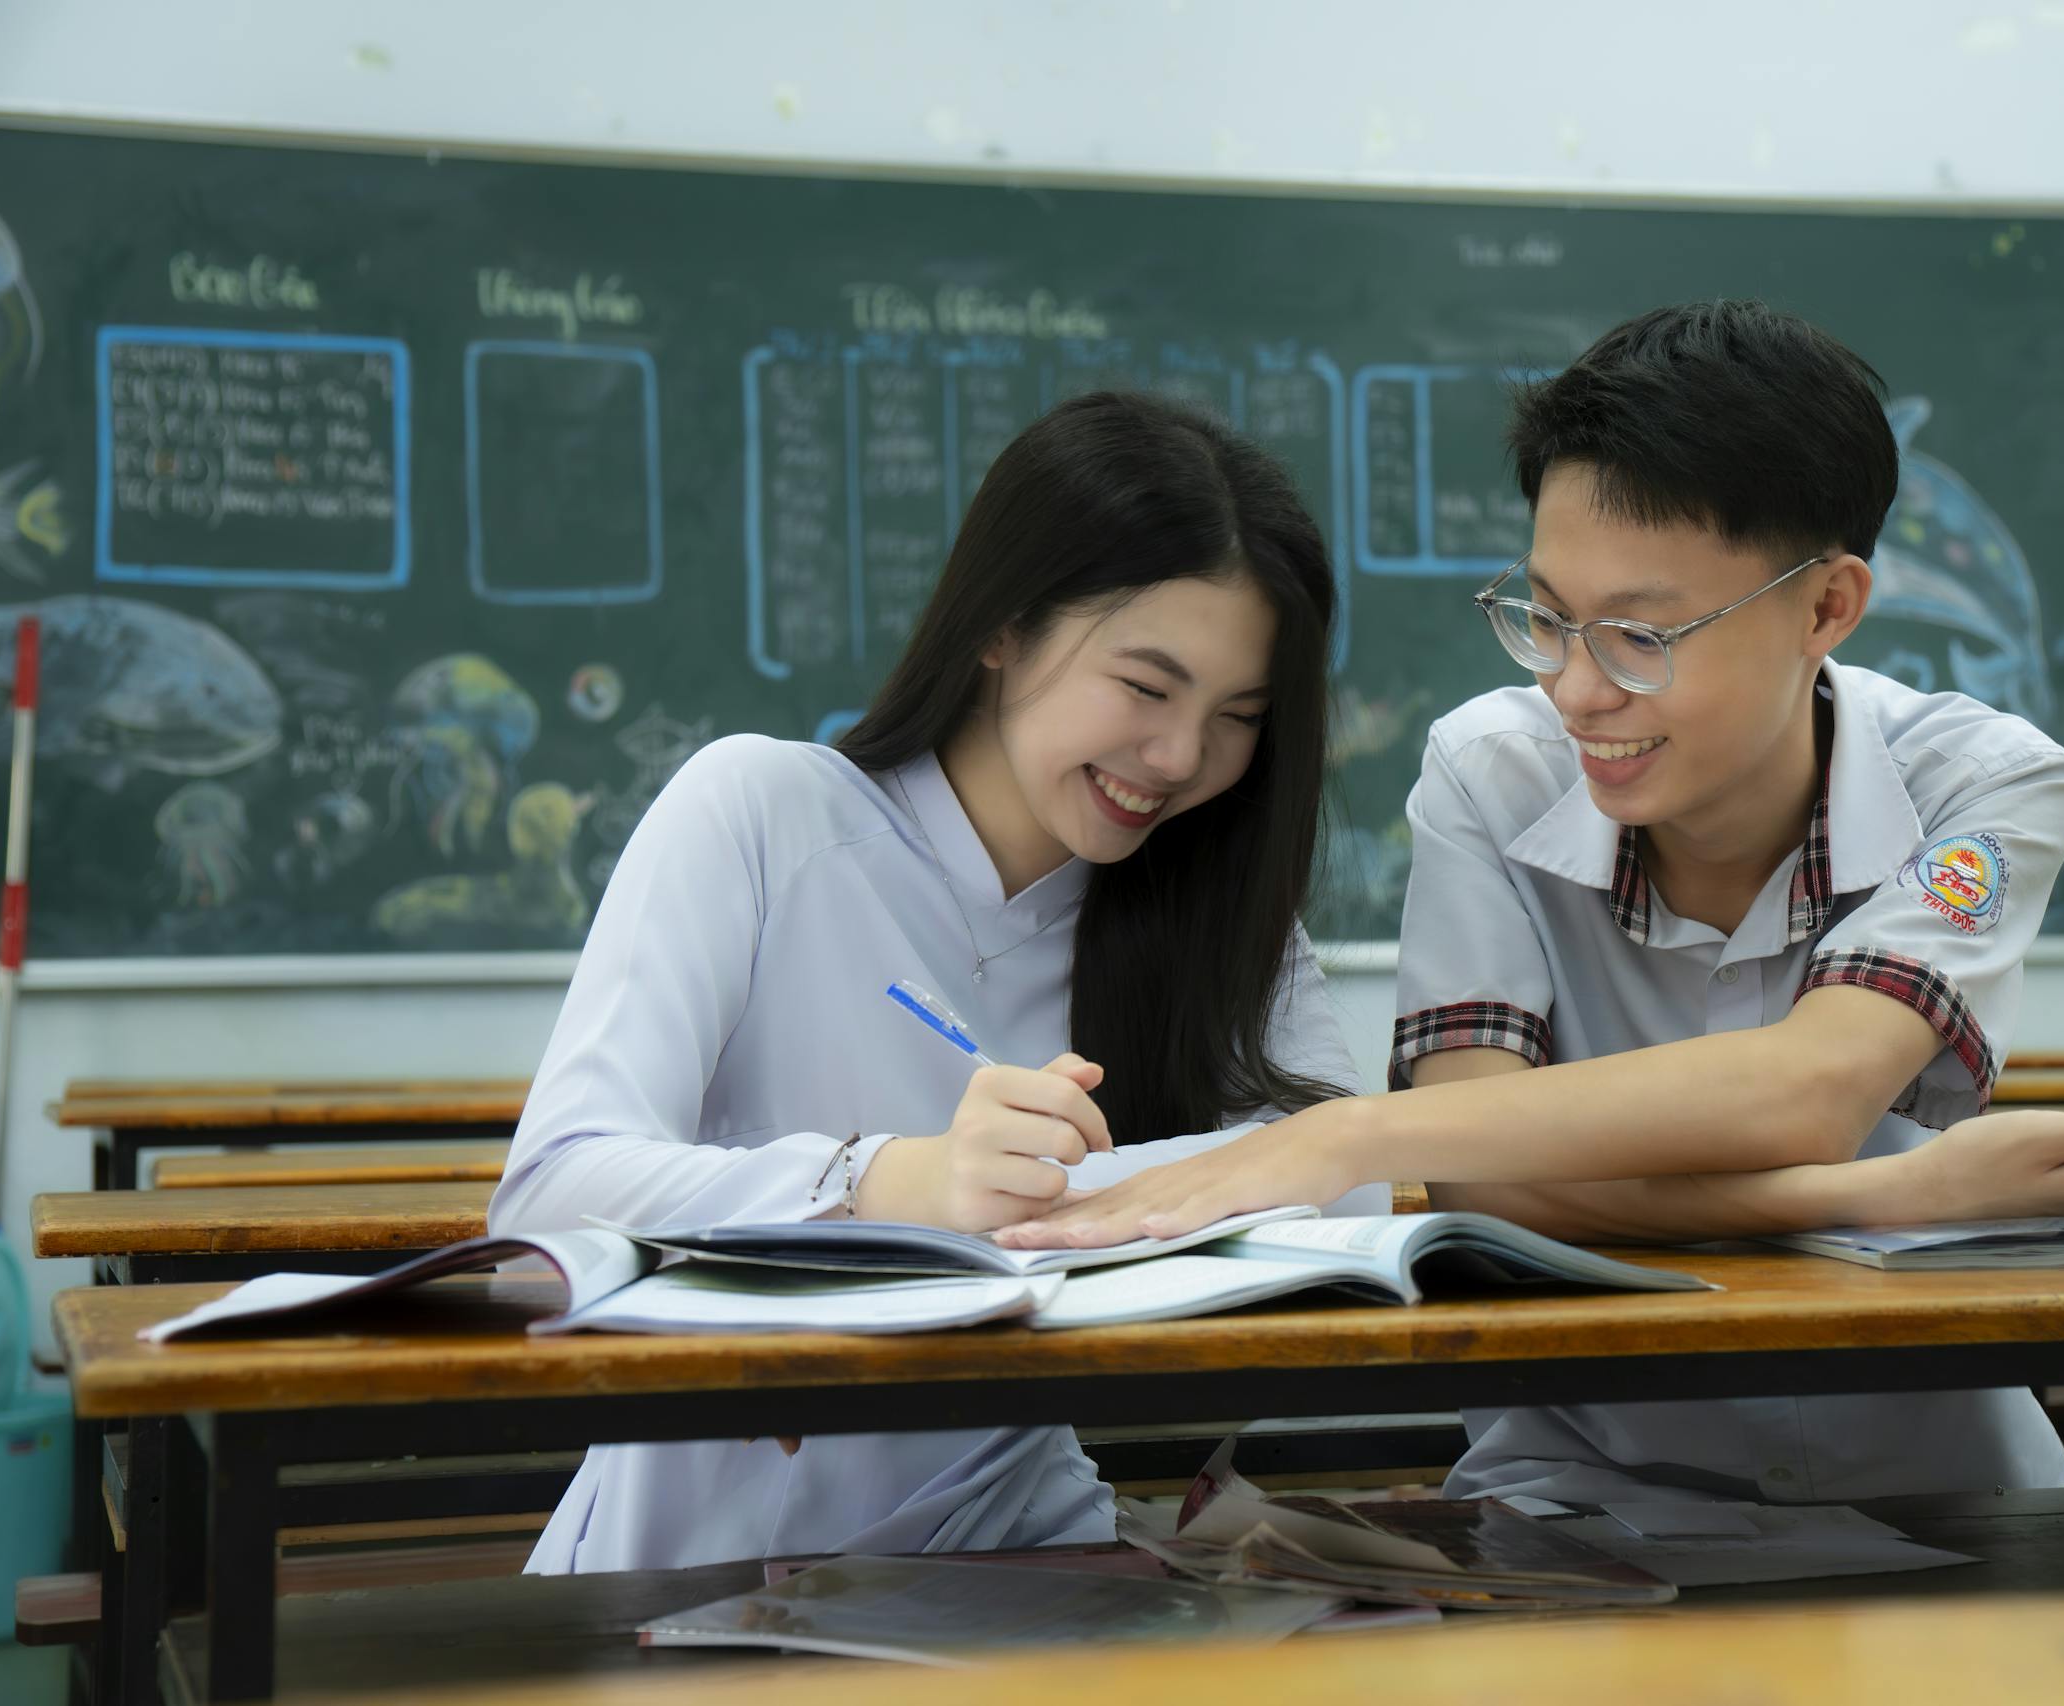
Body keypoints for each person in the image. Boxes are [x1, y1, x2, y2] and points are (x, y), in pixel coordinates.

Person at [998, 302, 2064, 1506]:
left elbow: (1802, 1090)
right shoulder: (1491, 768)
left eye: (1641, 633)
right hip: (1582, 1491)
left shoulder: (1983, 779)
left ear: (1827, 606)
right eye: (1546, 617)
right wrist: (1892, 1192)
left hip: (1946, 1479)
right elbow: (1484, 1179)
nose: (1578, 688)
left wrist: (1343, 1134)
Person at [487, 390, 1388, 1571]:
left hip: (1017, 1554)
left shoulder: (1214, 914)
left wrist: (1053, 1202)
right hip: (692, 1558)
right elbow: (547, 1206)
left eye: (1237, 718)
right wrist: (884, 1181)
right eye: (1145, 687)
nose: (1178, 760)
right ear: (1003, 623)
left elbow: (1349, 1198)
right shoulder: (764, 814)